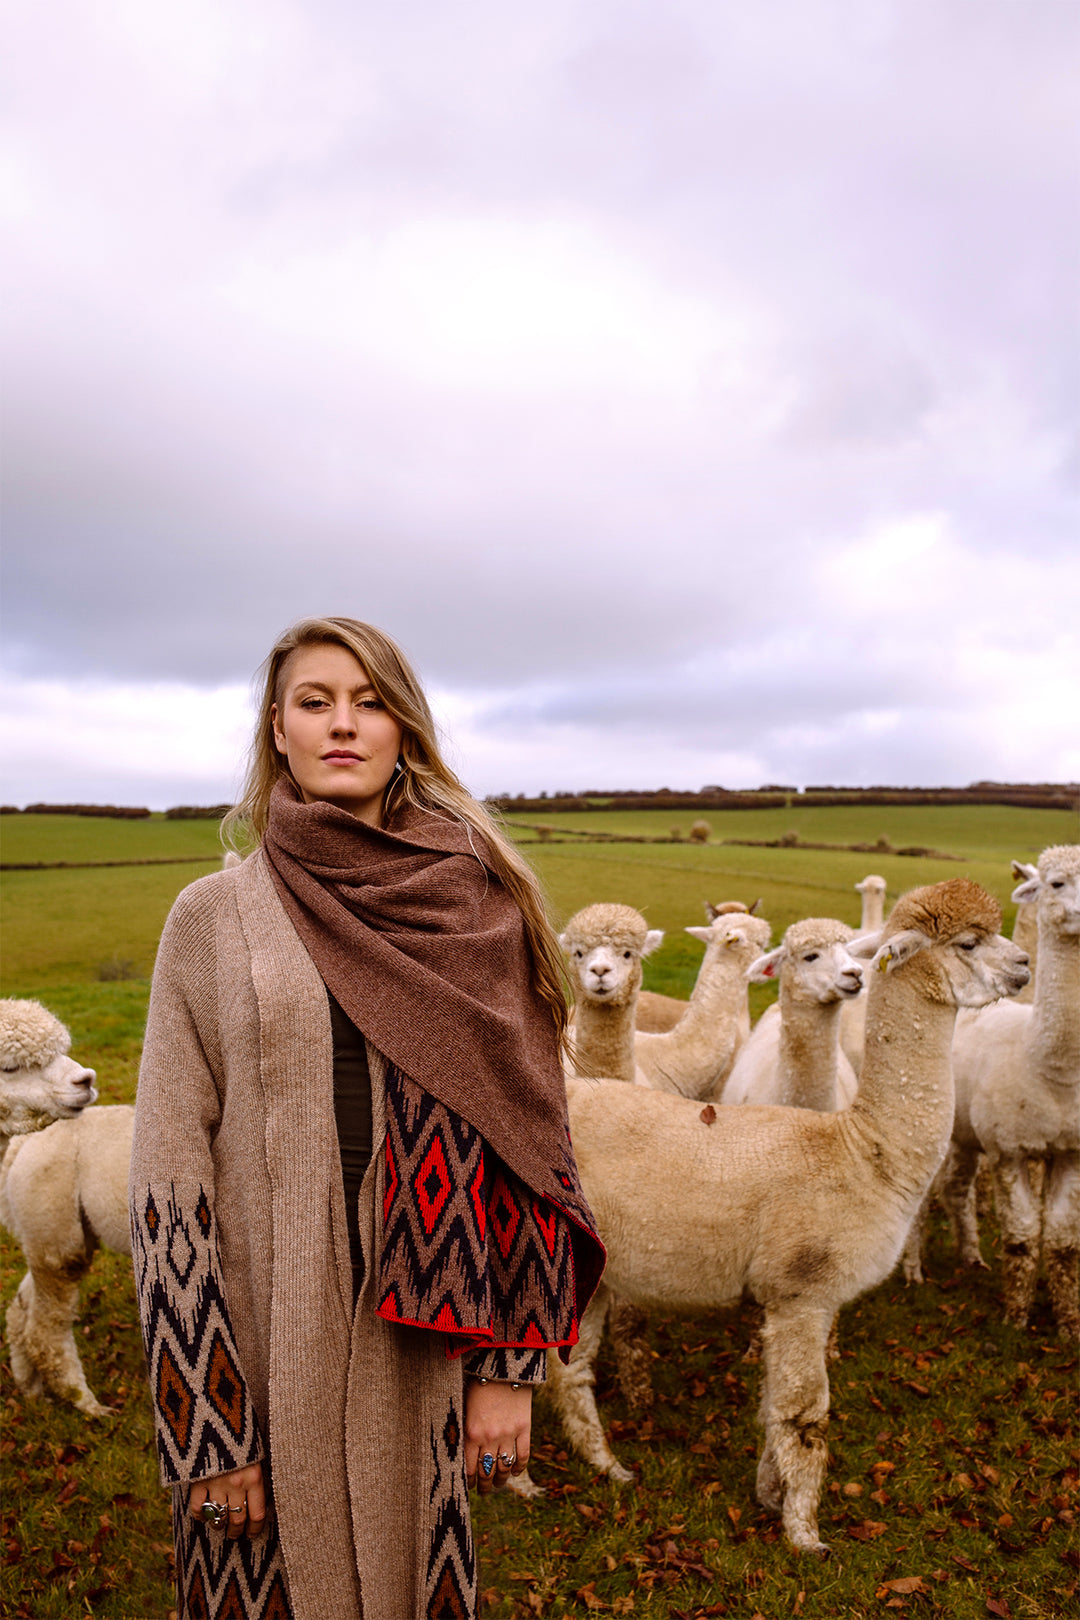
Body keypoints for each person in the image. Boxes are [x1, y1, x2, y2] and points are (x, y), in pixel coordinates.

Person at [130, 617, 605, 1620]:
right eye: (315, 702)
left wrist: (510, 1369)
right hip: (261, 1331)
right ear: (278, 730)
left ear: (405, 729)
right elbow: (168, 1175)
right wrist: (209, 1428)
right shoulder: (212, 919)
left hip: (421, 1341)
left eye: (369, 701)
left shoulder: (479, 910)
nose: (343, 724)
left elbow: (530, 1141)